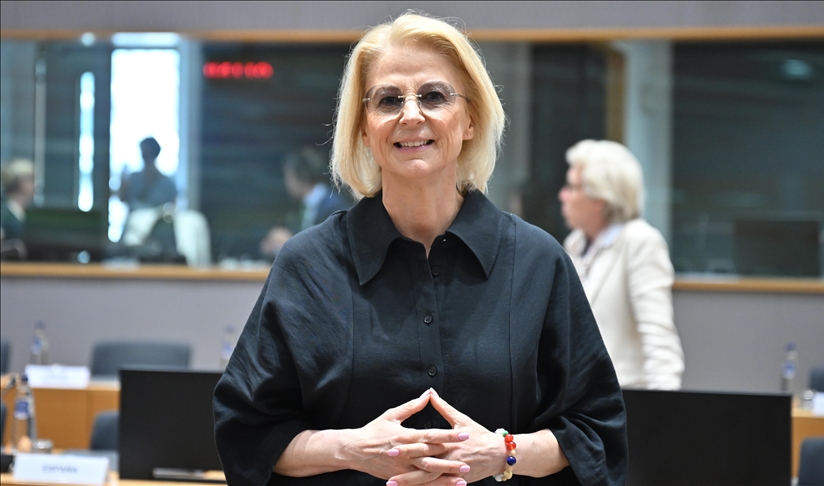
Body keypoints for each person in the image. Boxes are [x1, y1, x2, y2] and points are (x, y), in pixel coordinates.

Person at [214, 13, 626, 486]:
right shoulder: (307, 266)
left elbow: (595, 432)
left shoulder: (538, 261)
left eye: (434, 96)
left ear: (470, 119)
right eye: (388, 100)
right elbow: (247, 433)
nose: (411, 115)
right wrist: (352, 449)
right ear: (364, 129)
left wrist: (503, 452)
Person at [558, 139, 685, 390]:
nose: (564, 195)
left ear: (600, 198)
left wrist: (664, 407)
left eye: (572, 187)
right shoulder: (574, 243)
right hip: (578, 397)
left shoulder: (640, 241)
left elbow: (659, 340)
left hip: (625, 397)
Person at [259, 146, 353, 259]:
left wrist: (289, 241)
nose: (287, 183)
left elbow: (330, 251)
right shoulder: (303, 208)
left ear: (301, 176)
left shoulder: (334, 206)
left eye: (288, 177)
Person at [118, 137, 177, 212]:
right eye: (143, 151)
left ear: (154, 152)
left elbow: (172, 208)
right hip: (135, 218)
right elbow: (122, 199)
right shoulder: (133, 178)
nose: (145, 154)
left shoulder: (168, 183)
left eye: (147, 151)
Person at [0, 158, 35, 242]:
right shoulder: (4, 214)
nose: (35, 185)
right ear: (22, 183)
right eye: (32, 180)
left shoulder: (20, 212)